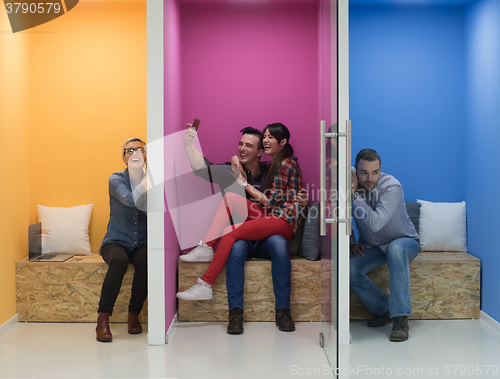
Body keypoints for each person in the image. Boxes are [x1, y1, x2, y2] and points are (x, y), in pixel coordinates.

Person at [177, 123, 305, 332]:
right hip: (245, 235)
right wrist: (188, 144)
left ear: (261, 152)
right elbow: (202, 169)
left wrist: (302, 200)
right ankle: (235, 313)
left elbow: (275, 200)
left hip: (271, 229)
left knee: (278, 246)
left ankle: (283, 311)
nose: (243, 149)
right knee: (234, 244)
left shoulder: (274, 167)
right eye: (240, 145)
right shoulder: (230, 171)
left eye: (250, 145)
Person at [349, 149, 420, 342]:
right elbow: (342, 215)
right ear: (355, 170)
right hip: (374, 246)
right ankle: (384, 309)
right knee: (348, 269)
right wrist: (351, 243)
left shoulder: (392, 187)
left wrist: (354, 196)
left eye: (375, 172)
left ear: (381, 169)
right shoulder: (349, 182)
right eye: (363, 172)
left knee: (396, 250)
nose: (369, 178)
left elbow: (375, 223)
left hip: (405, 241)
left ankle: (400, 319)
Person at [95, 137, 148, 343]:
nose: (134, 153)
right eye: (129, 150)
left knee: (146, 261)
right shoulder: (116, 179)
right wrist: (146, 181)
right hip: (115, 241)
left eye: (139, 149)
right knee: (119, 260)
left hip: (141, 243)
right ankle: (103, 319)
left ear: (145, 156)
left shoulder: (154, 181)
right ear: (124, 158)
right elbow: (131, 200)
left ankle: (133, 315)